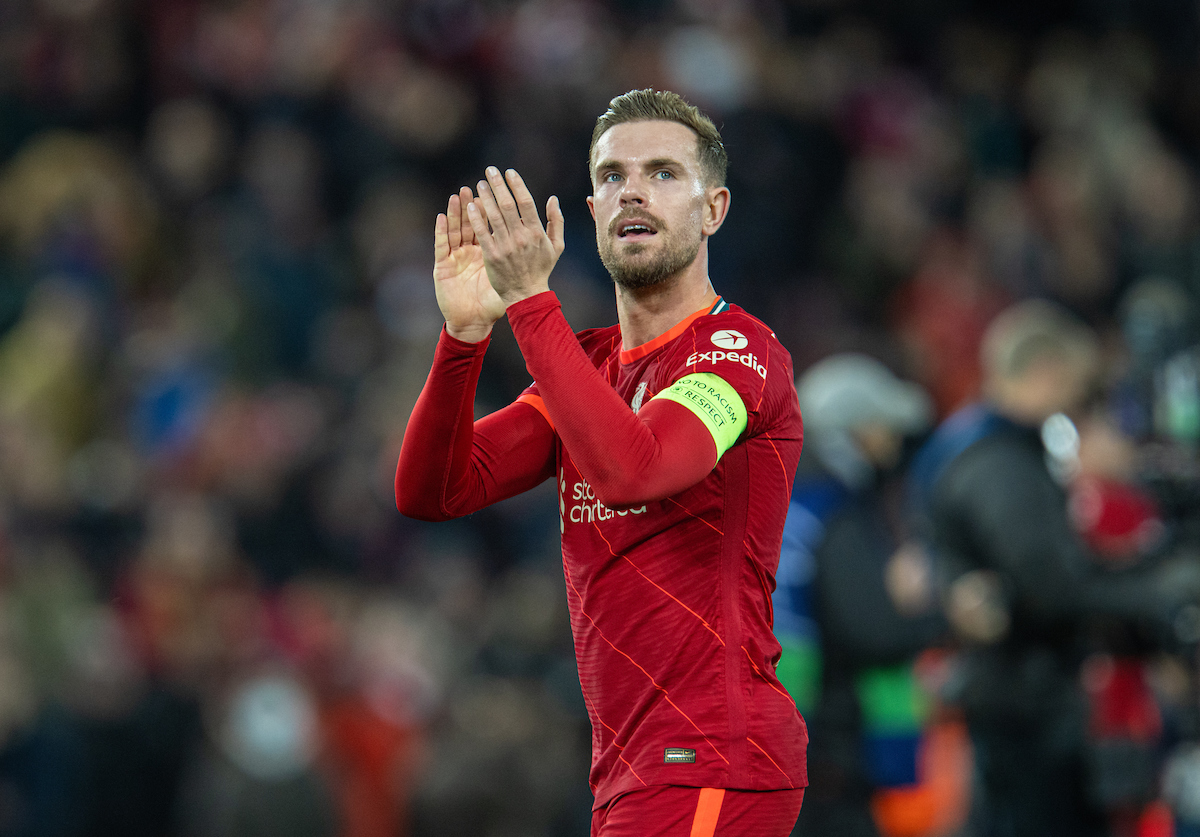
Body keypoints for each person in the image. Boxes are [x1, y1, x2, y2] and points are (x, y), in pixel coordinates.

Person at [394, 89, 808, 836]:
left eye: (662, 173)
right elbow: (433, 489)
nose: (634, 190)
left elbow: (632, 470)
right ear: (592, 210)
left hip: (710, 754)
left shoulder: (738, 354)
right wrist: (462, 338)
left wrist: (528, 302)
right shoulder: (586, 368)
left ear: (713, 209)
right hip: (632, 768)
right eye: (613, 175)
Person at [909, 299, 1200, 837]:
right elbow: (1051, 583)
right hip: (1025, 703)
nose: (1078, 406)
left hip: (1008, 694)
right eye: (1077, 385)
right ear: (1046, 371)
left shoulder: (970, 446)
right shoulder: (998, 461)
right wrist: (1157, 591)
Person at [774, 354, 951, 837]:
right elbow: (873, 631)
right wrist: (942, 617)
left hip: (784, 732)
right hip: (831, 747)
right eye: (881, 427)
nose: (891, 441)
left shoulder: (789, 504)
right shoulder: (839, 516)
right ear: (849, 433)